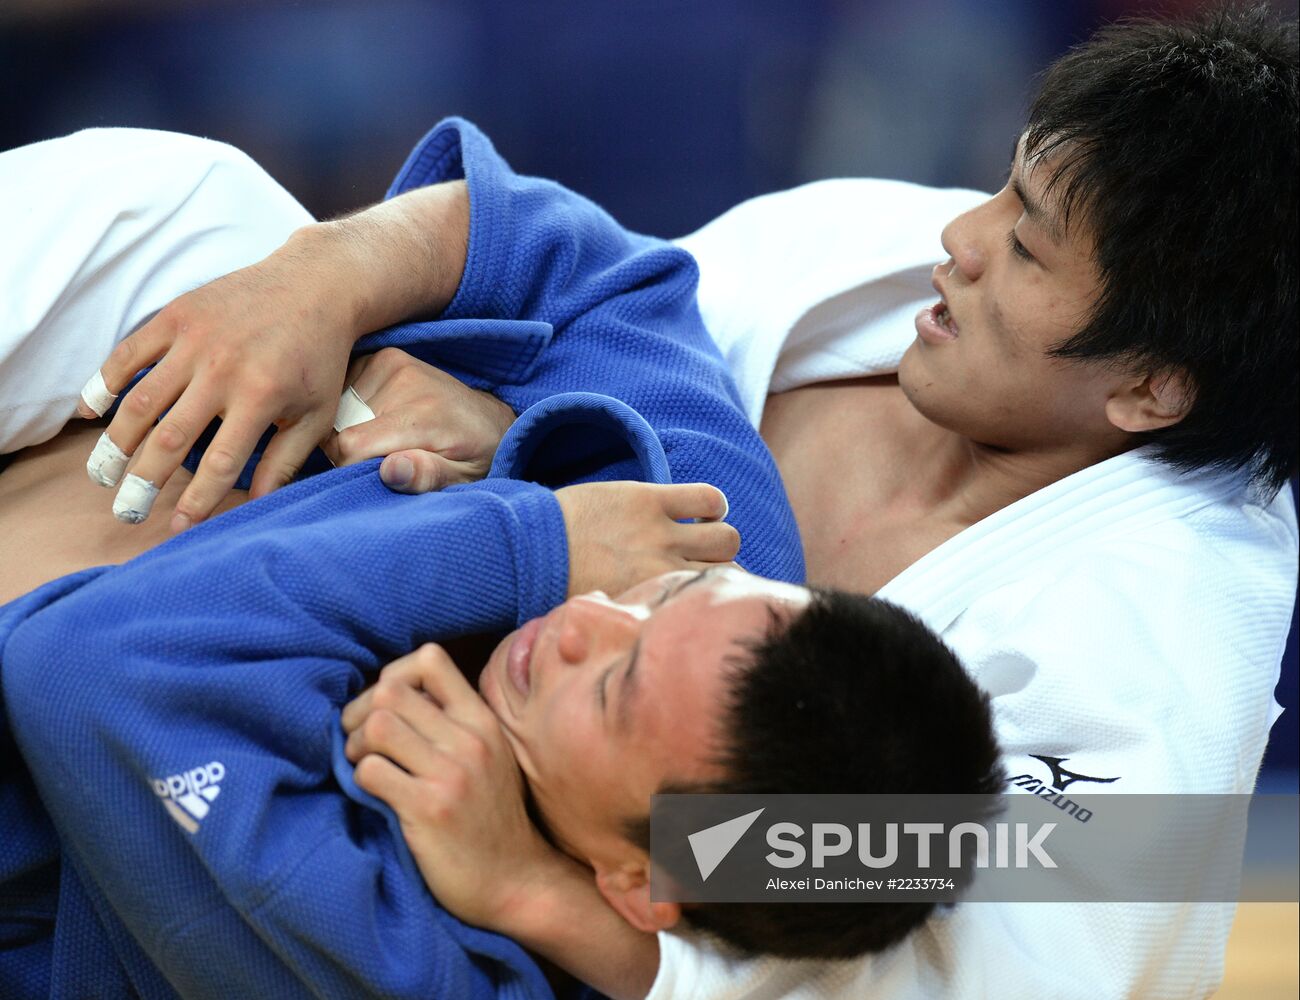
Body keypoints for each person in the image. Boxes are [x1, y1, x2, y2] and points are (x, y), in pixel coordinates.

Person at [4, 5, 1296, 997]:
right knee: (185, 203)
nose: (959, 237)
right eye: (1006, 191)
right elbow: (594, 286)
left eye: (1024, 247)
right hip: (313, 539)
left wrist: (551, 902)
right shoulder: (887, 267)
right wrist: (334, 282)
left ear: (1153, 388)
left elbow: (1006, 887)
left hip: (331, 763)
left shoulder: (1161, 633)